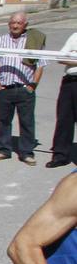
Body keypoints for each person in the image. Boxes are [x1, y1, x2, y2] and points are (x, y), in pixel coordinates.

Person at [0, 11, 45, 165]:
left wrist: (33, 85)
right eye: (12, 22)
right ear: (9, 24)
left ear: (25, 25)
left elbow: (40, 66)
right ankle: (3, 149)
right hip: (4, 88)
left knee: (27, 122)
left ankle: (26, 152)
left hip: (24, 89)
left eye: (19, 23)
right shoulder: (1, 40)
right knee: (3, 121)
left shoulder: (33, 41)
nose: (15, 26)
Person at [49, 31, 77, 168]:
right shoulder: (74, 36)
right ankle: (60, 155)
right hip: (70, 82)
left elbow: (67, 57)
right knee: (64, 119)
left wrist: (72, 57)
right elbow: (60, 57)